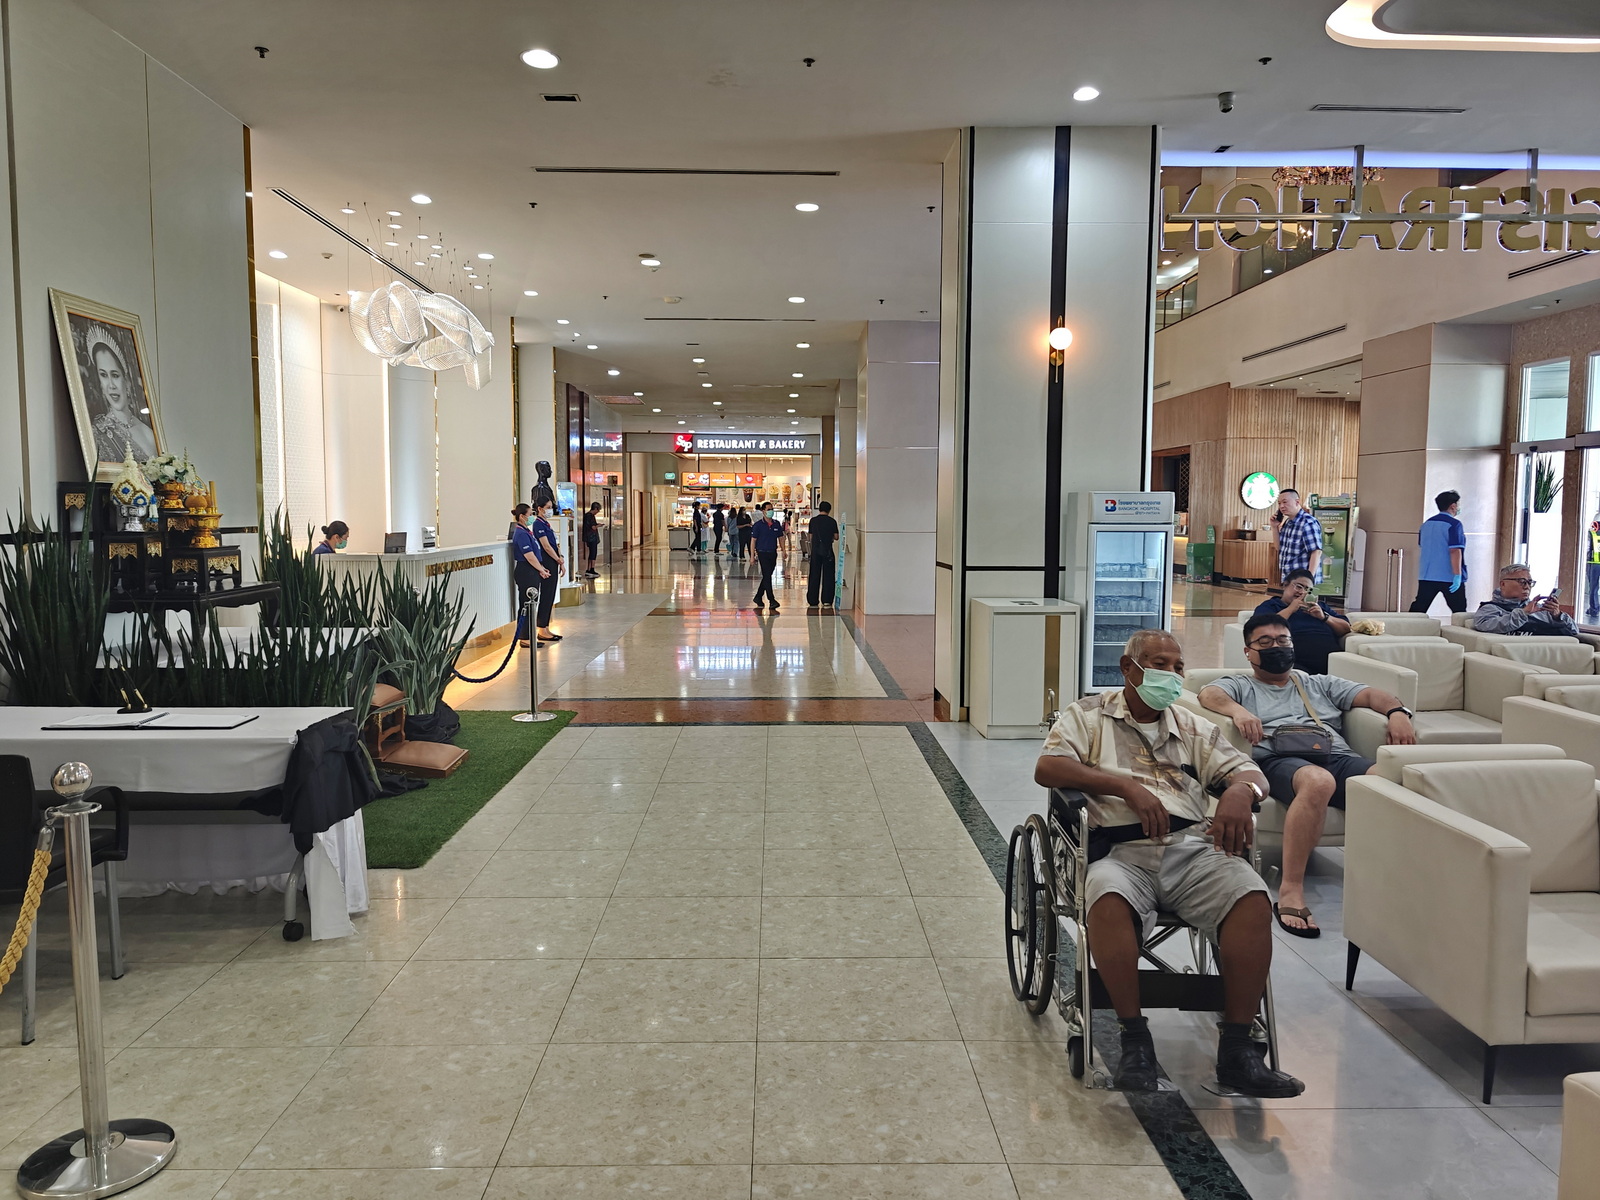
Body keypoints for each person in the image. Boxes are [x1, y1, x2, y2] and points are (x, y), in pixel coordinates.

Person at [1035, 629, 1304, 1098]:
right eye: (1159, 664)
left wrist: (1241, 792)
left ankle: (1238, 1051)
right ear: (1129, 668)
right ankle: (1134, 1041)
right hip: (1118, 852)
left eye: (1178, 667)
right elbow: (1048, 768)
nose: (1171, 675)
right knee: (1107, 896)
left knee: (1251, 898)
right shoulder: (1089, 715)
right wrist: (1126, 788)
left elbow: (1249, 772)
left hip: (1191, 849)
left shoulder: (1192, 726)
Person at [1198, 613, 1416, 938]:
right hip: (1279, 760)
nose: (1276, 647)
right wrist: (1238, 711)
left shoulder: (1317, 683)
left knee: (1396, 777)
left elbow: (1373, 695)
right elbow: (1208, 694)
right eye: (1265, 642)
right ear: (1248, 651)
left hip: (1336, 756)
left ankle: (1398, 881)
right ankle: (1291, 889)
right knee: (1318, 781)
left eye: (1282, 640)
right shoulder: (1241, 685)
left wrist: (1398, 713)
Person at [1252, 569, 1349, 674]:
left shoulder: (1320, 607)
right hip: (1296, 664)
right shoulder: (1271, 606)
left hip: (1333, 663)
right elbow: (1261, 629)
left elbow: (1346, 628)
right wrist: (1290, 609)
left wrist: (1324, 617)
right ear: (1285, 585)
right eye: (1299, 587)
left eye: (1308, 589)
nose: (1302, 592)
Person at [86, 328, 158, 462]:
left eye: (115, 375)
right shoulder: (97, 433)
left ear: (127, 381)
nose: (111, 385)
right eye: (103, 375)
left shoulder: (148, 431)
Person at [1474, 562, 1578, 636]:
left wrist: (1558, 616)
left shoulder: (1540, 609)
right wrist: (1523, 613)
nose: (1527, 587)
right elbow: (1484, 626)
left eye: (1530, 582)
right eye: (1522, 581)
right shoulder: (1490, 608)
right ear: (1503, 584)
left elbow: (1574, 631)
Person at [1410, 490, 1468, 615]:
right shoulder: (1454, 525)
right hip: (1449, 576)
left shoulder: (1426, 525)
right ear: (1453, 506)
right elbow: (1455, 550)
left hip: (1426, 575)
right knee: (1459, 612)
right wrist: (1457, 576)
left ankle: (1406, 627)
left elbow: (1422, 545)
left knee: (1418, 609)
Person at [509, 504, 550, 648]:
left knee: (532, 604)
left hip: (532, 570)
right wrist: (541, 569)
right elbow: (529, 556)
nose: (532, 517)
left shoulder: (526, 531)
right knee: (526, 604)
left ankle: (529, 635)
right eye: (530, 514)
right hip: (526, 571)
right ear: (522, 516)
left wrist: (541, 568)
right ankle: (524, 637)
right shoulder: (521, 533)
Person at [529, 498, 565, 643]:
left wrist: (560, 558)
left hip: (553, 561)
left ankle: (545, 626)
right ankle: (542, 629)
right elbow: (546, 546)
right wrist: (557, 559)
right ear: (540, 508)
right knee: (546, 595)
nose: (550, 510)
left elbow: (555, 544)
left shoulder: (546, 524)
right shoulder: (538, 524)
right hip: (547, 562)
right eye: (548, 507)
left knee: (550, 595)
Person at [1270, 488, 1323, 586]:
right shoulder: (1287, 522)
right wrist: (1274, 527)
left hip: (1303, 582)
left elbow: (1316, 552)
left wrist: (1308, 580)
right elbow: (1279, 548)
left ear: (1297, 502)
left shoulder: (1308, 522)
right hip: (1289, 579)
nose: (1281, 506)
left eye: (1285, 502)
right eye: (1279, 503)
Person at [749, 502, 782, 610]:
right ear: (763, 511)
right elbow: (753, 541)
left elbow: (781, 537)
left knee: (767, 575)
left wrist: (784, 550)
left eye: (772, 509)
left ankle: (758, 597)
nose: (770, 511)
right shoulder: (758, 525)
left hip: (773, 552)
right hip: (762, 552)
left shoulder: (776, 524)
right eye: (768, 509)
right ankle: (771, 600)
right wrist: (752, 556)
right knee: (767, 575)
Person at [806, 501, 839, 607]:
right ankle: (827, 600)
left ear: (819, 509)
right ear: (829, 510)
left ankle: (813, 600)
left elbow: (810, 537)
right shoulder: (832, 521)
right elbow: (836, 537)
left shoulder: (813, 521)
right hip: (828, 551)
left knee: (814, 574)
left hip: (816, 551)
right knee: (828, 575)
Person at [582, 501, 602, 577]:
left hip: (588, 537)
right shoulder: (591, 516)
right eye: (598, 510)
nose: (597, 512)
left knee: (591, 553)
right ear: (595, 509)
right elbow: (593, 527)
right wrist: (598, 525)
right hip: (592, 537)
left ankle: (588, 569)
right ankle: (592, 569)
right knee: (593, 553)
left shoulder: (586, 515)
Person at [1586, 514, 1600, 622]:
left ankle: (1594, 609)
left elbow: (1587, 546)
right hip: (1594, 561)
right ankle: (1594, 608)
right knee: (1593, 588)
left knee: (1593, 588)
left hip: (1594, 562)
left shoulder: (1592, 532)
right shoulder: (1592, 532)